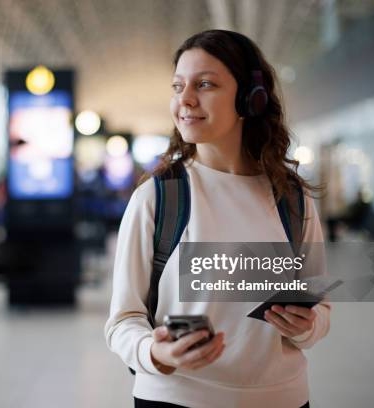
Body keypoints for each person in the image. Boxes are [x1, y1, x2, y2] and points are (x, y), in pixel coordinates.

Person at [104, 30, 329, 408]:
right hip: (175, 399)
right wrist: (157, 354)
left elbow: (319, 304)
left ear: (248, 99)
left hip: (283, 399)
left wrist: (307, 327)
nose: (185, 100)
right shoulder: (159, 198)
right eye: (178, 86)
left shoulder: (291, 198)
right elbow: (122, 321)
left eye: (205, 84)